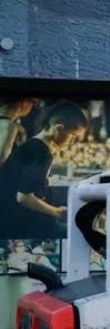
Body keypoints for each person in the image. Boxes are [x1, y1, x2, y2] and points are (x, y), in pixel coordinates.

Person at [0, 102, 88, 238]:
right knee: (79, 233)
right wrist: (57, 212)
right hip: (19, 223)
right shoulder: (41, 153)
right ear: (58, 128)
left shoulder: (33, 144)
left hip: (12, 217)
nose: (71, 142)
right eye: (72, 136)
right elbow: (23, 197)